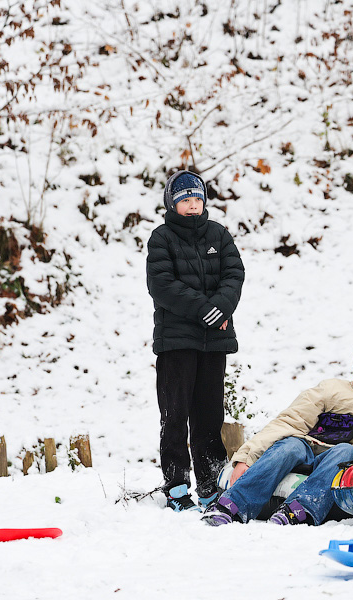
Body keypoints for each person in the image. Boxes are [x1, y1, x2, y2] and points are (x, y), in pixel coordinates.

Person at [202, 341, 353, 526]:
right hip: (307, 451)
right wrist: (246, 458)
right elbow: (288, 421)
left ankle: (298, 510)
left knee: (345, 450)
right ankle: (230, 505)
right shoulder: (330, 390)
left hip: (346, 464)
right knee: (290, 445)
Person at [146, 170, 245, 511]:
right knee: (176, 414)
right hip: (177, 342)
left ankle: (210, 485)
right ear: (172, 204)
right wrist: (203, 308)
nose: (191, 205)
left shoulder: (218, 234)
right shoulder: (162, 238)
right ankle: (176, 486)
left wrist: (220, 307)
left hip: (213, 341)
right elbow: (161, 284)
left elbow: (234, 274)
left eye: (196, 199)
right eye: (184, 200)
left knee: (209, 416)